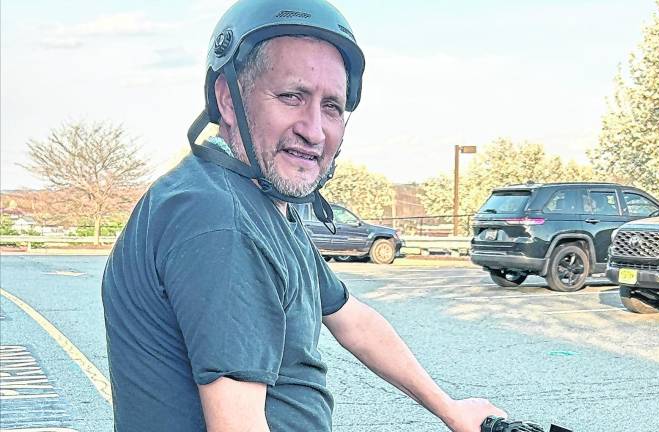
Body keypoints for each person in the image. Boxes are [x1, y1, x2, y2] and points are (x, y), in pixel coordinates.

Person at [101, 0, 506, 430]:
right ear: (228, 99)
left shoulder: (259, 203)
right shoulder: (221, 221)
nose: (313, 130)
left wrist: (450, 407)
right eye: (291, 97)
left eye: (331, 106)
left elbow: (352, 320)